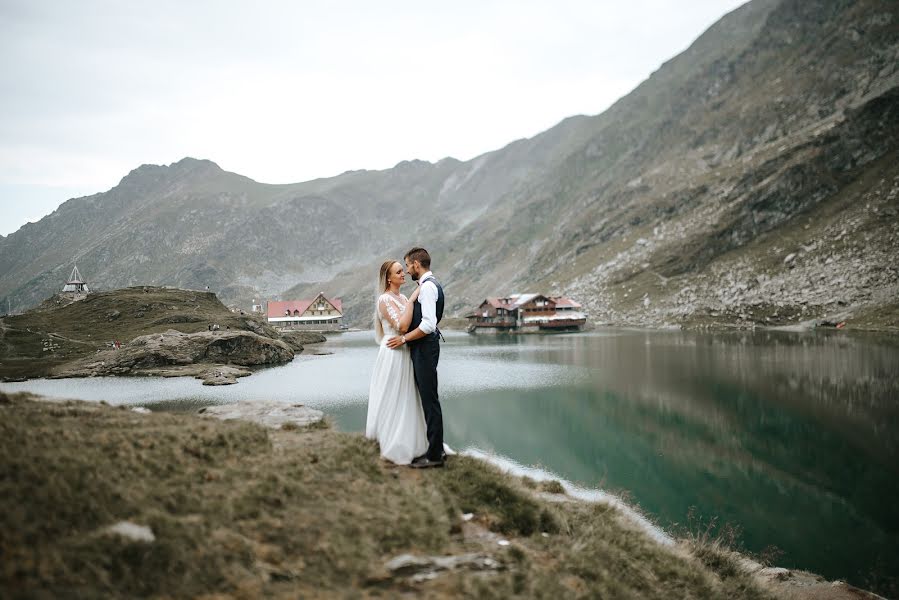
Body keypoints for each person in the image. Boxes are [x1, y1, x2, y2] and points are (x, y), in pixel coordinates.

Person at [386, 247, 445, 468]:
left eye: (408, 265)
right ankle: (434, 448)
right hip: (424, 348)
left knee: (430, 400)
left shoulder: (428, 288)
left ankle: (435, 455)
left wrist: (403, 339)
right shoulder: (427, 286)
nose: (408, 270)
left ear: (417, 265)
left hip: (425, 348)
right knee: (428, 399)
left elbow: (429, 325)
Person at [366, 260, 428, 464]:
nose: (403, 274)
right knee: (392, 397)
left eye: (403, 270)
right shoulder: (384, 300)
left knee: (407, 397)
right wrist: (411, 301)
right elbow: (401, 327)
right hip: (392, 354)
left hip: (405, 353)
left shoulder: (400, 297)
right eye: (399, 271)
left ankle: (412, 442)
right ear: (388, 278)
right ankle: (392, 441)